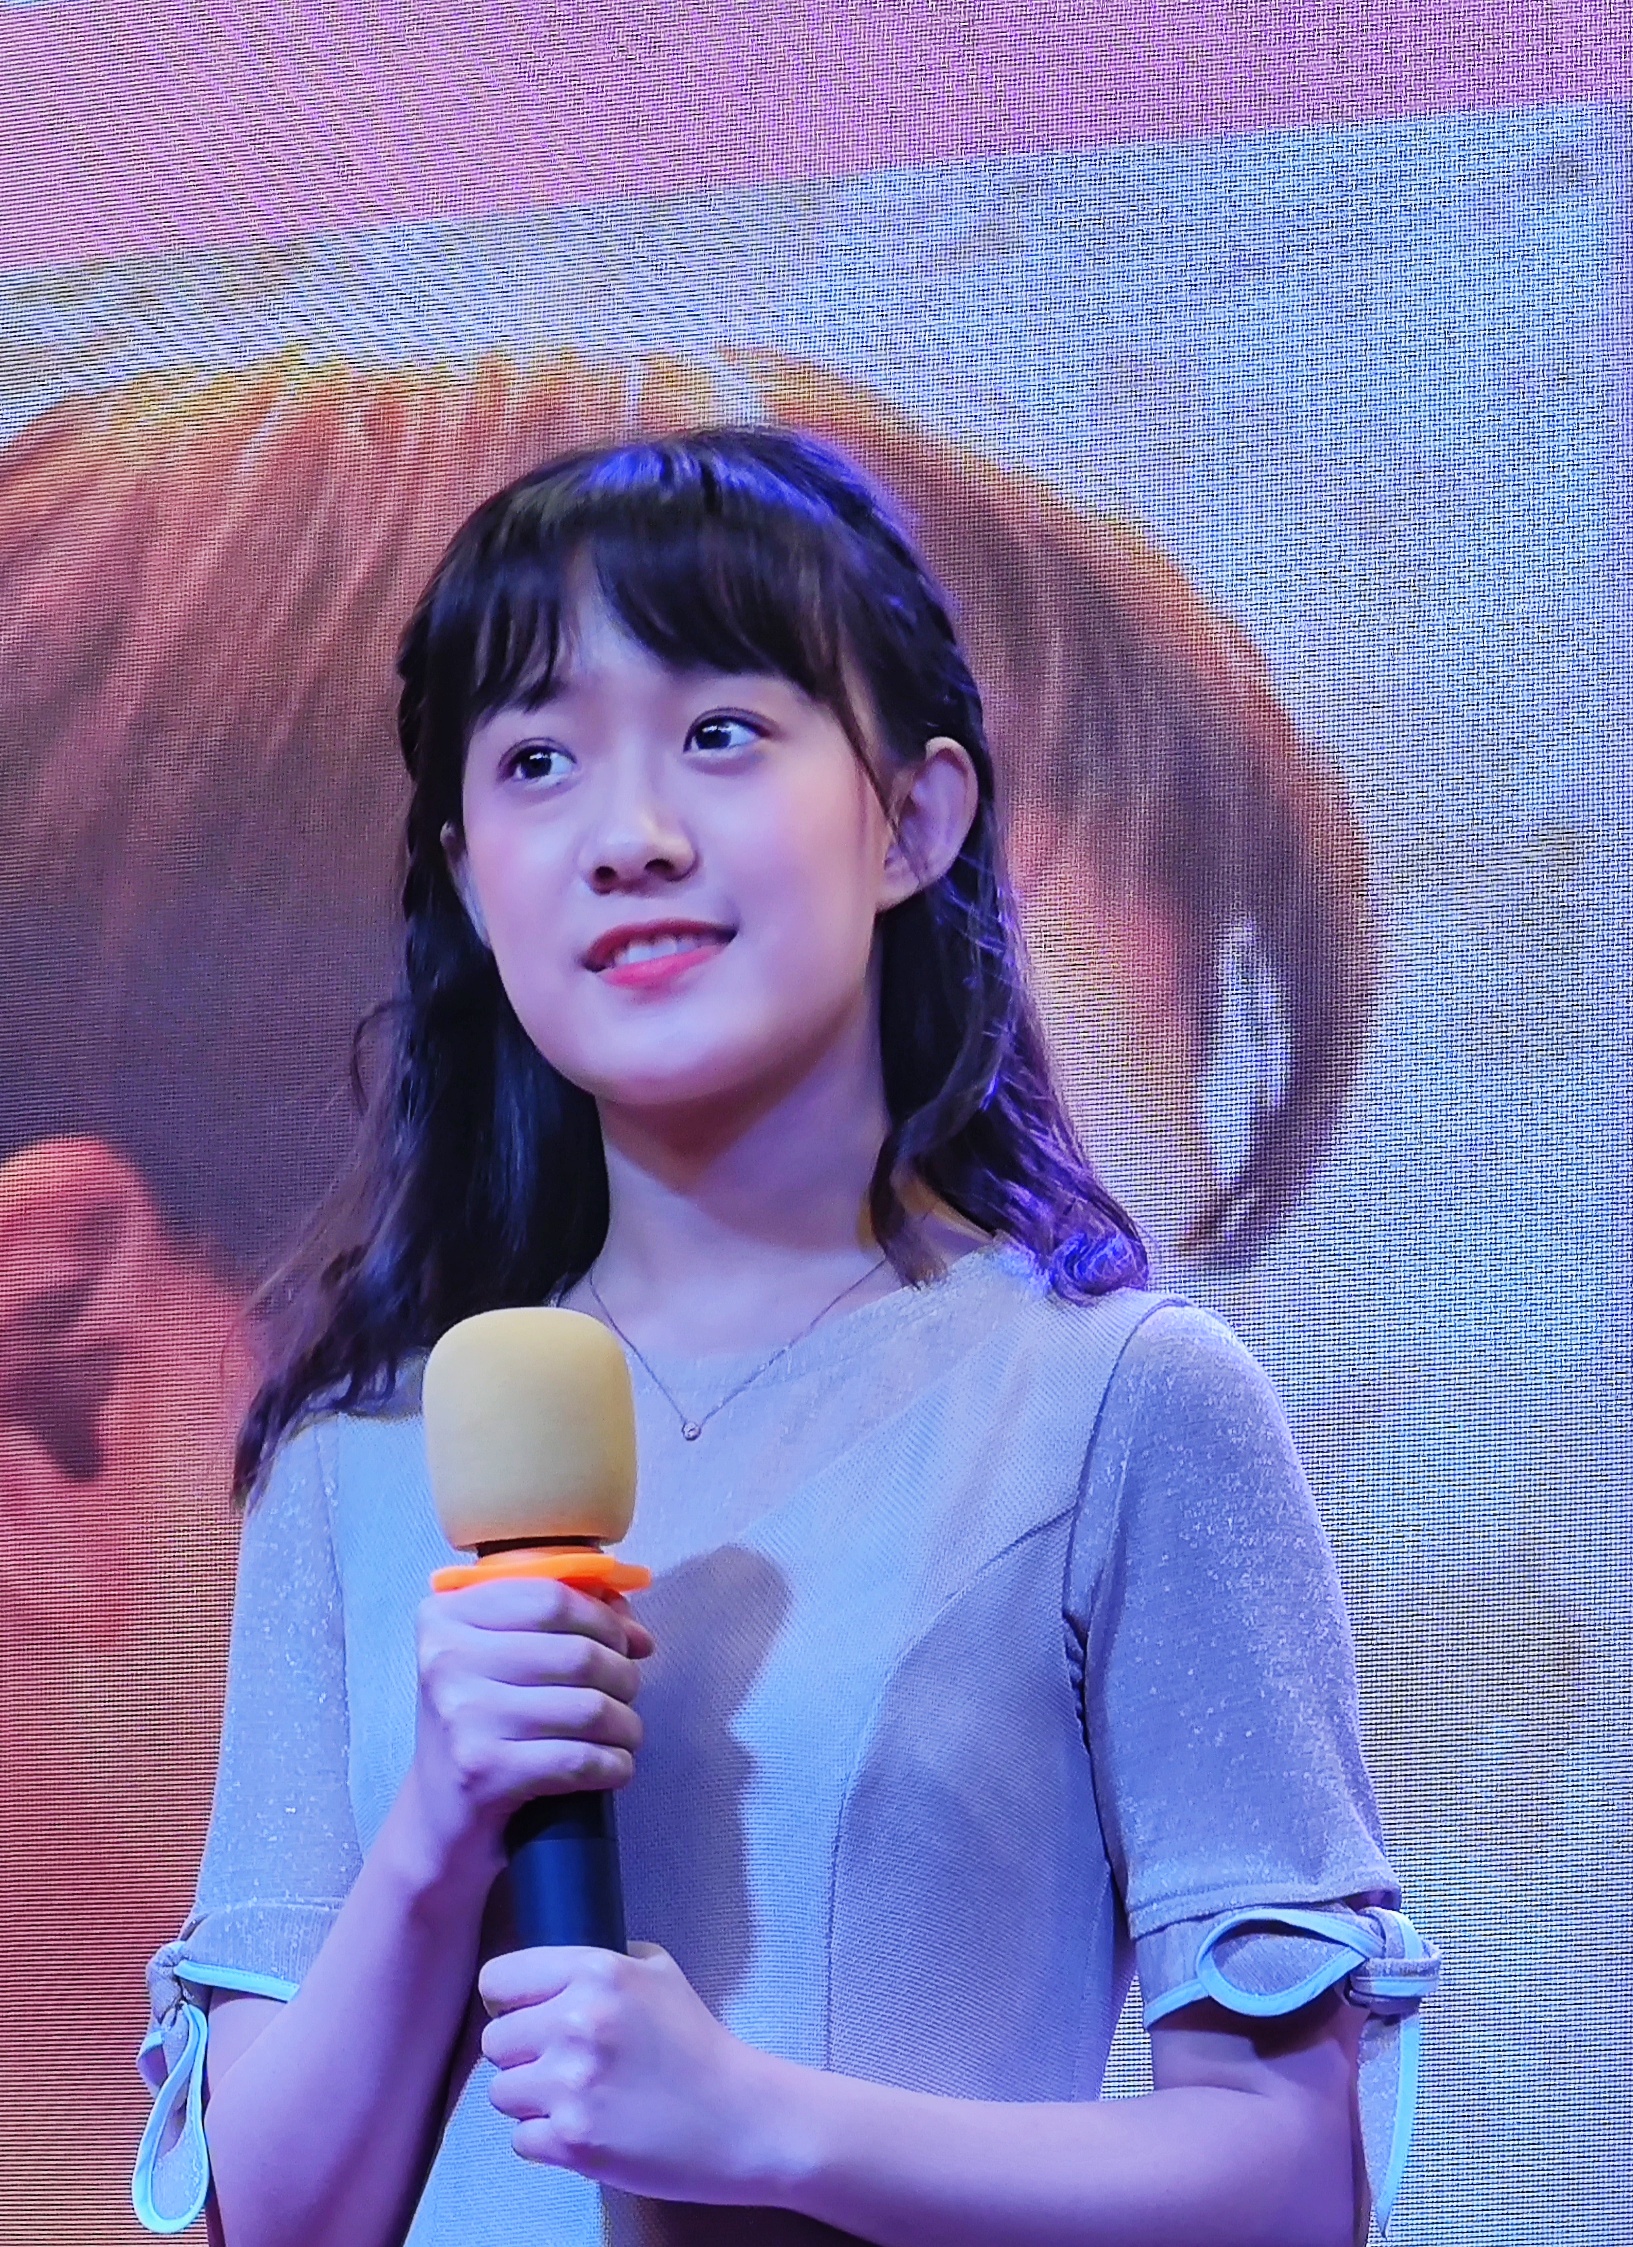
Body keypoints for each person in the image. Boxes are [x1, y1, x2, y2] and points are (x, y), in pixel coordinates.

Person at [130, 423, 1432, 2247]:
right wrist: (435, 1832)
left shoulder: (1118, 1401)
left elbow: (1290, 2187)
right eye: (536, 761)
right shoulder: (355, 1451)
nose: (631, 837)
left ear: (914, 819)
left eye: (722, 732)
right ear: (471, 876)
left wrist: (759, 2126)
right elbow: (278, 2222)